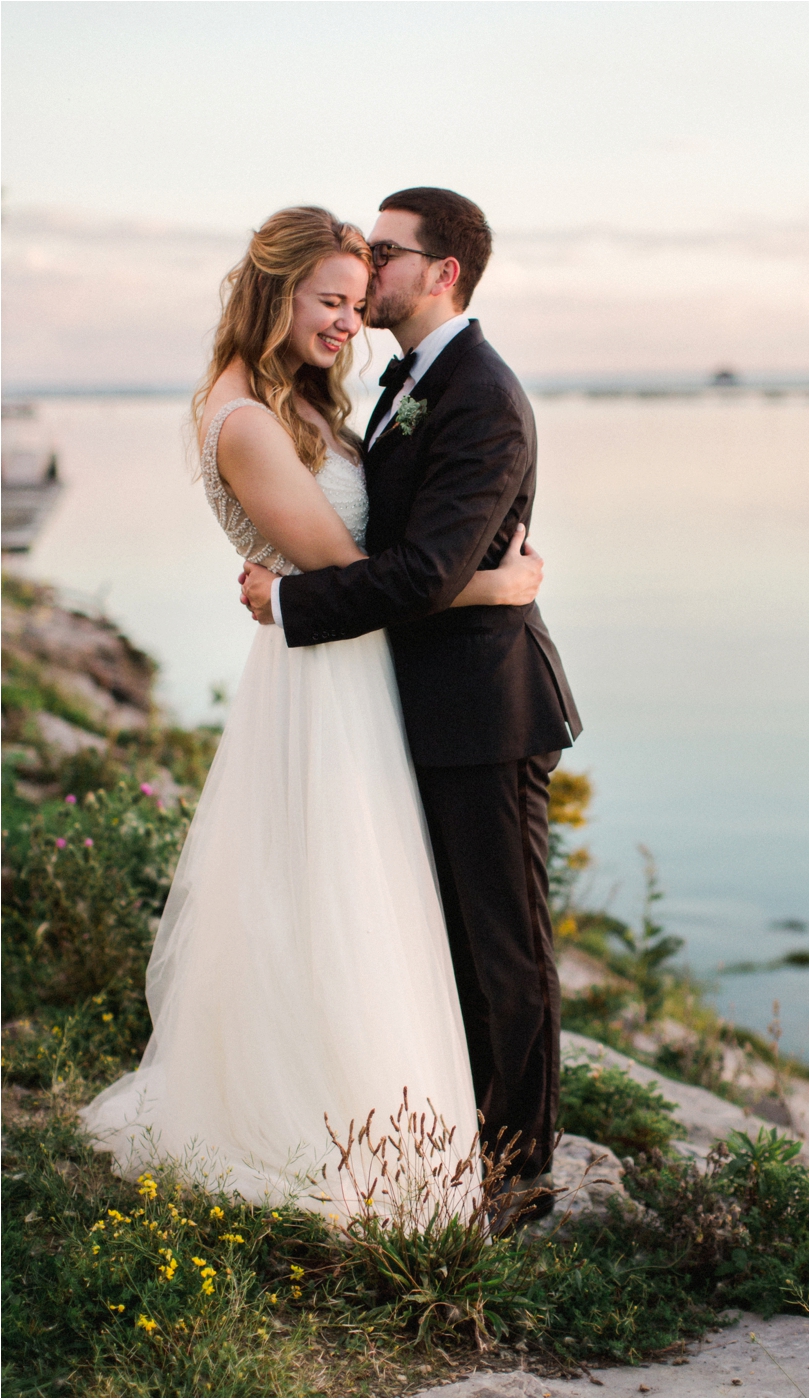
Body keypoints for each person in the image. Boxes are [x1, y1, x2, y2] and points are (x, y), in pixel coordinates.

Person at [80, 206, 539, 1212]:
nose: (353, 311)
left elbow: (373, 559)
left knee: (352, 897)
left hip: (347, 668)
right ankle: (322, 1118)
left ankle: (435, 1124)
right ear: (274, 294)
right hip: (323, 678)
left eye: (360, 289)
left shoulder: (305, 397)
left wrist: (300, 594)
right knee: (333, 898)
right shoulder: (246, 417)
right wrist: (493, 587)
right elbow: (352, 569)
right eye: (331, 297)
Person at [242, 188, 582, 1208]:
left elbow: (424, 571)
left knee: (504, 947)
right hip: (415, 707)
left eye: (384, 251)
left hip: (485, 711)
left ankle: (520, 1173)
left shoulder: (479, 393)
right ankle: (454, 1141)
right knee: (441, 940)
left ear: (444, 272)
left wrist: (293, 601)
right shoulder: (404, 383)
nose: (364, 262)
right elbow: (397, 551)